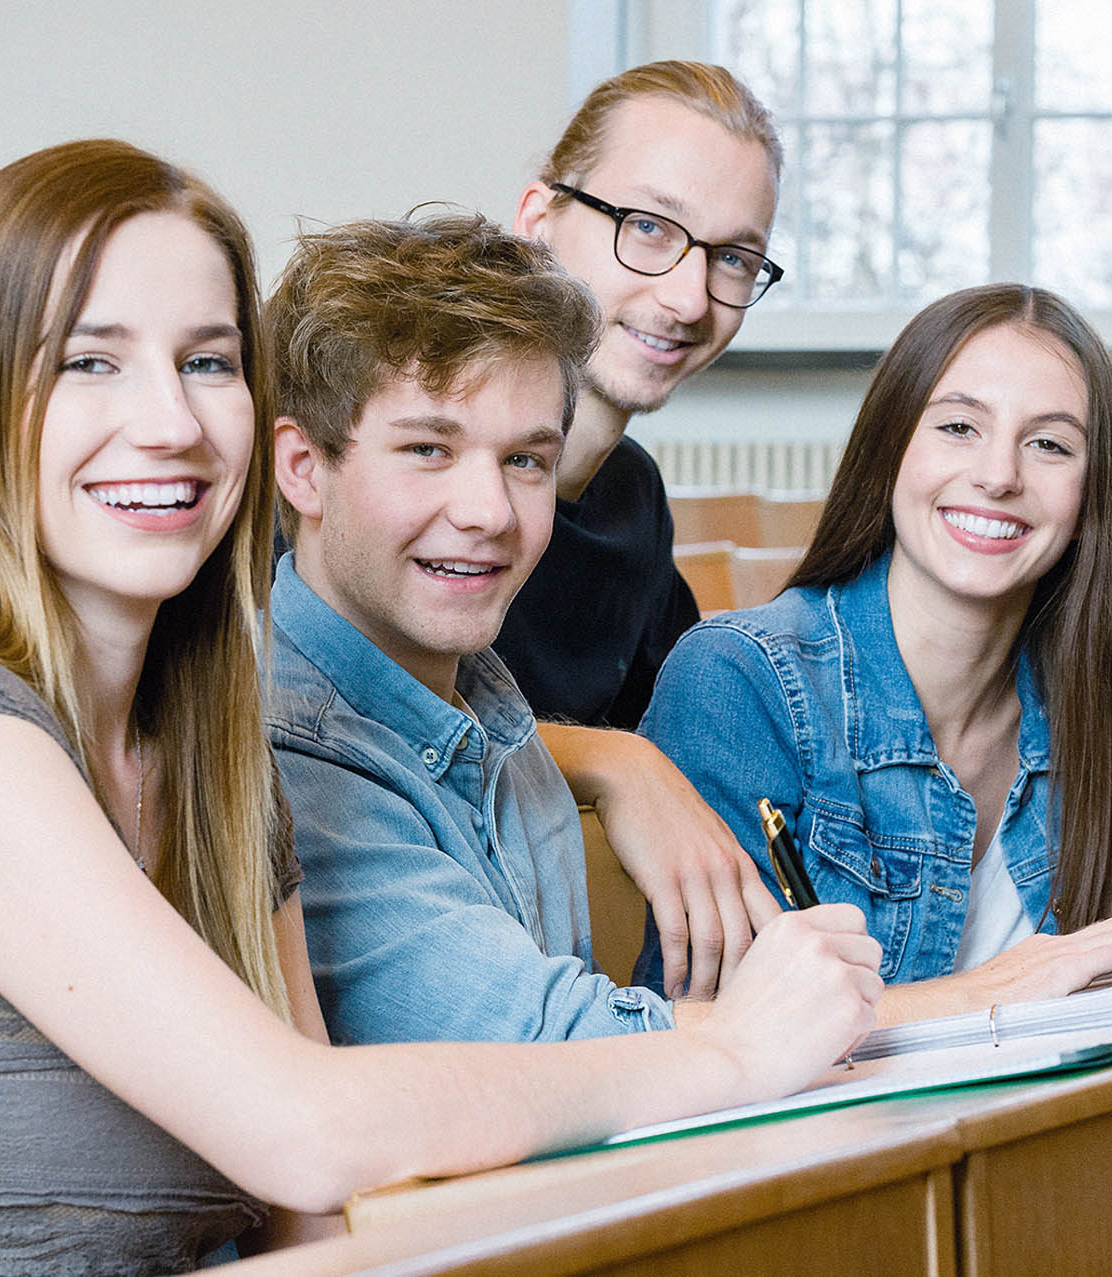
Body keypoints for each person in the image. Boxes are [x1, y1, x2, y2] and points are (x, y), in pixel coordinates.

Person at [0, 140, 882, 1275]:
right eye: (91, 363)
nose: (171, 424)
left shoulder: (213, 751)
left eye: (207, 362)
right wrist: (731, 1055)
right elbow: (302, 1130)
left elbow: (312, 1227)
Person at [640, 283, 1112, 1013]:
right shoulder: (739, 680)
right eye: (959, 426)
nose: (998, 476)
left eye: (1049, 444)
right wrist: (1000, 990)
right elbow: (709, 1029)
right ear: (890, 449)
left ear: (1089, 503)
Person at [265, 211, 833, 1045]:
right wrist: (971, 1007)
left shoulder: (490, 704)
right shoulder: (293, 758)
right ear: (304, 470)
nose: (489, 512)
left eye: (526, 460)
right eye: (428, 449)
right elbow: (551, 1047)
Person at [492, 58, 794, 999]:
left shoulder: (633, 502)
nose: (689, 299)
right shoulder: (397, 471)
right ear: (539, 221)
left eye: (733, 257)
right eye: (650, 229)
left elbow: (699, 730)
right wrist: (606, 760)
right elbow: (334, 714)